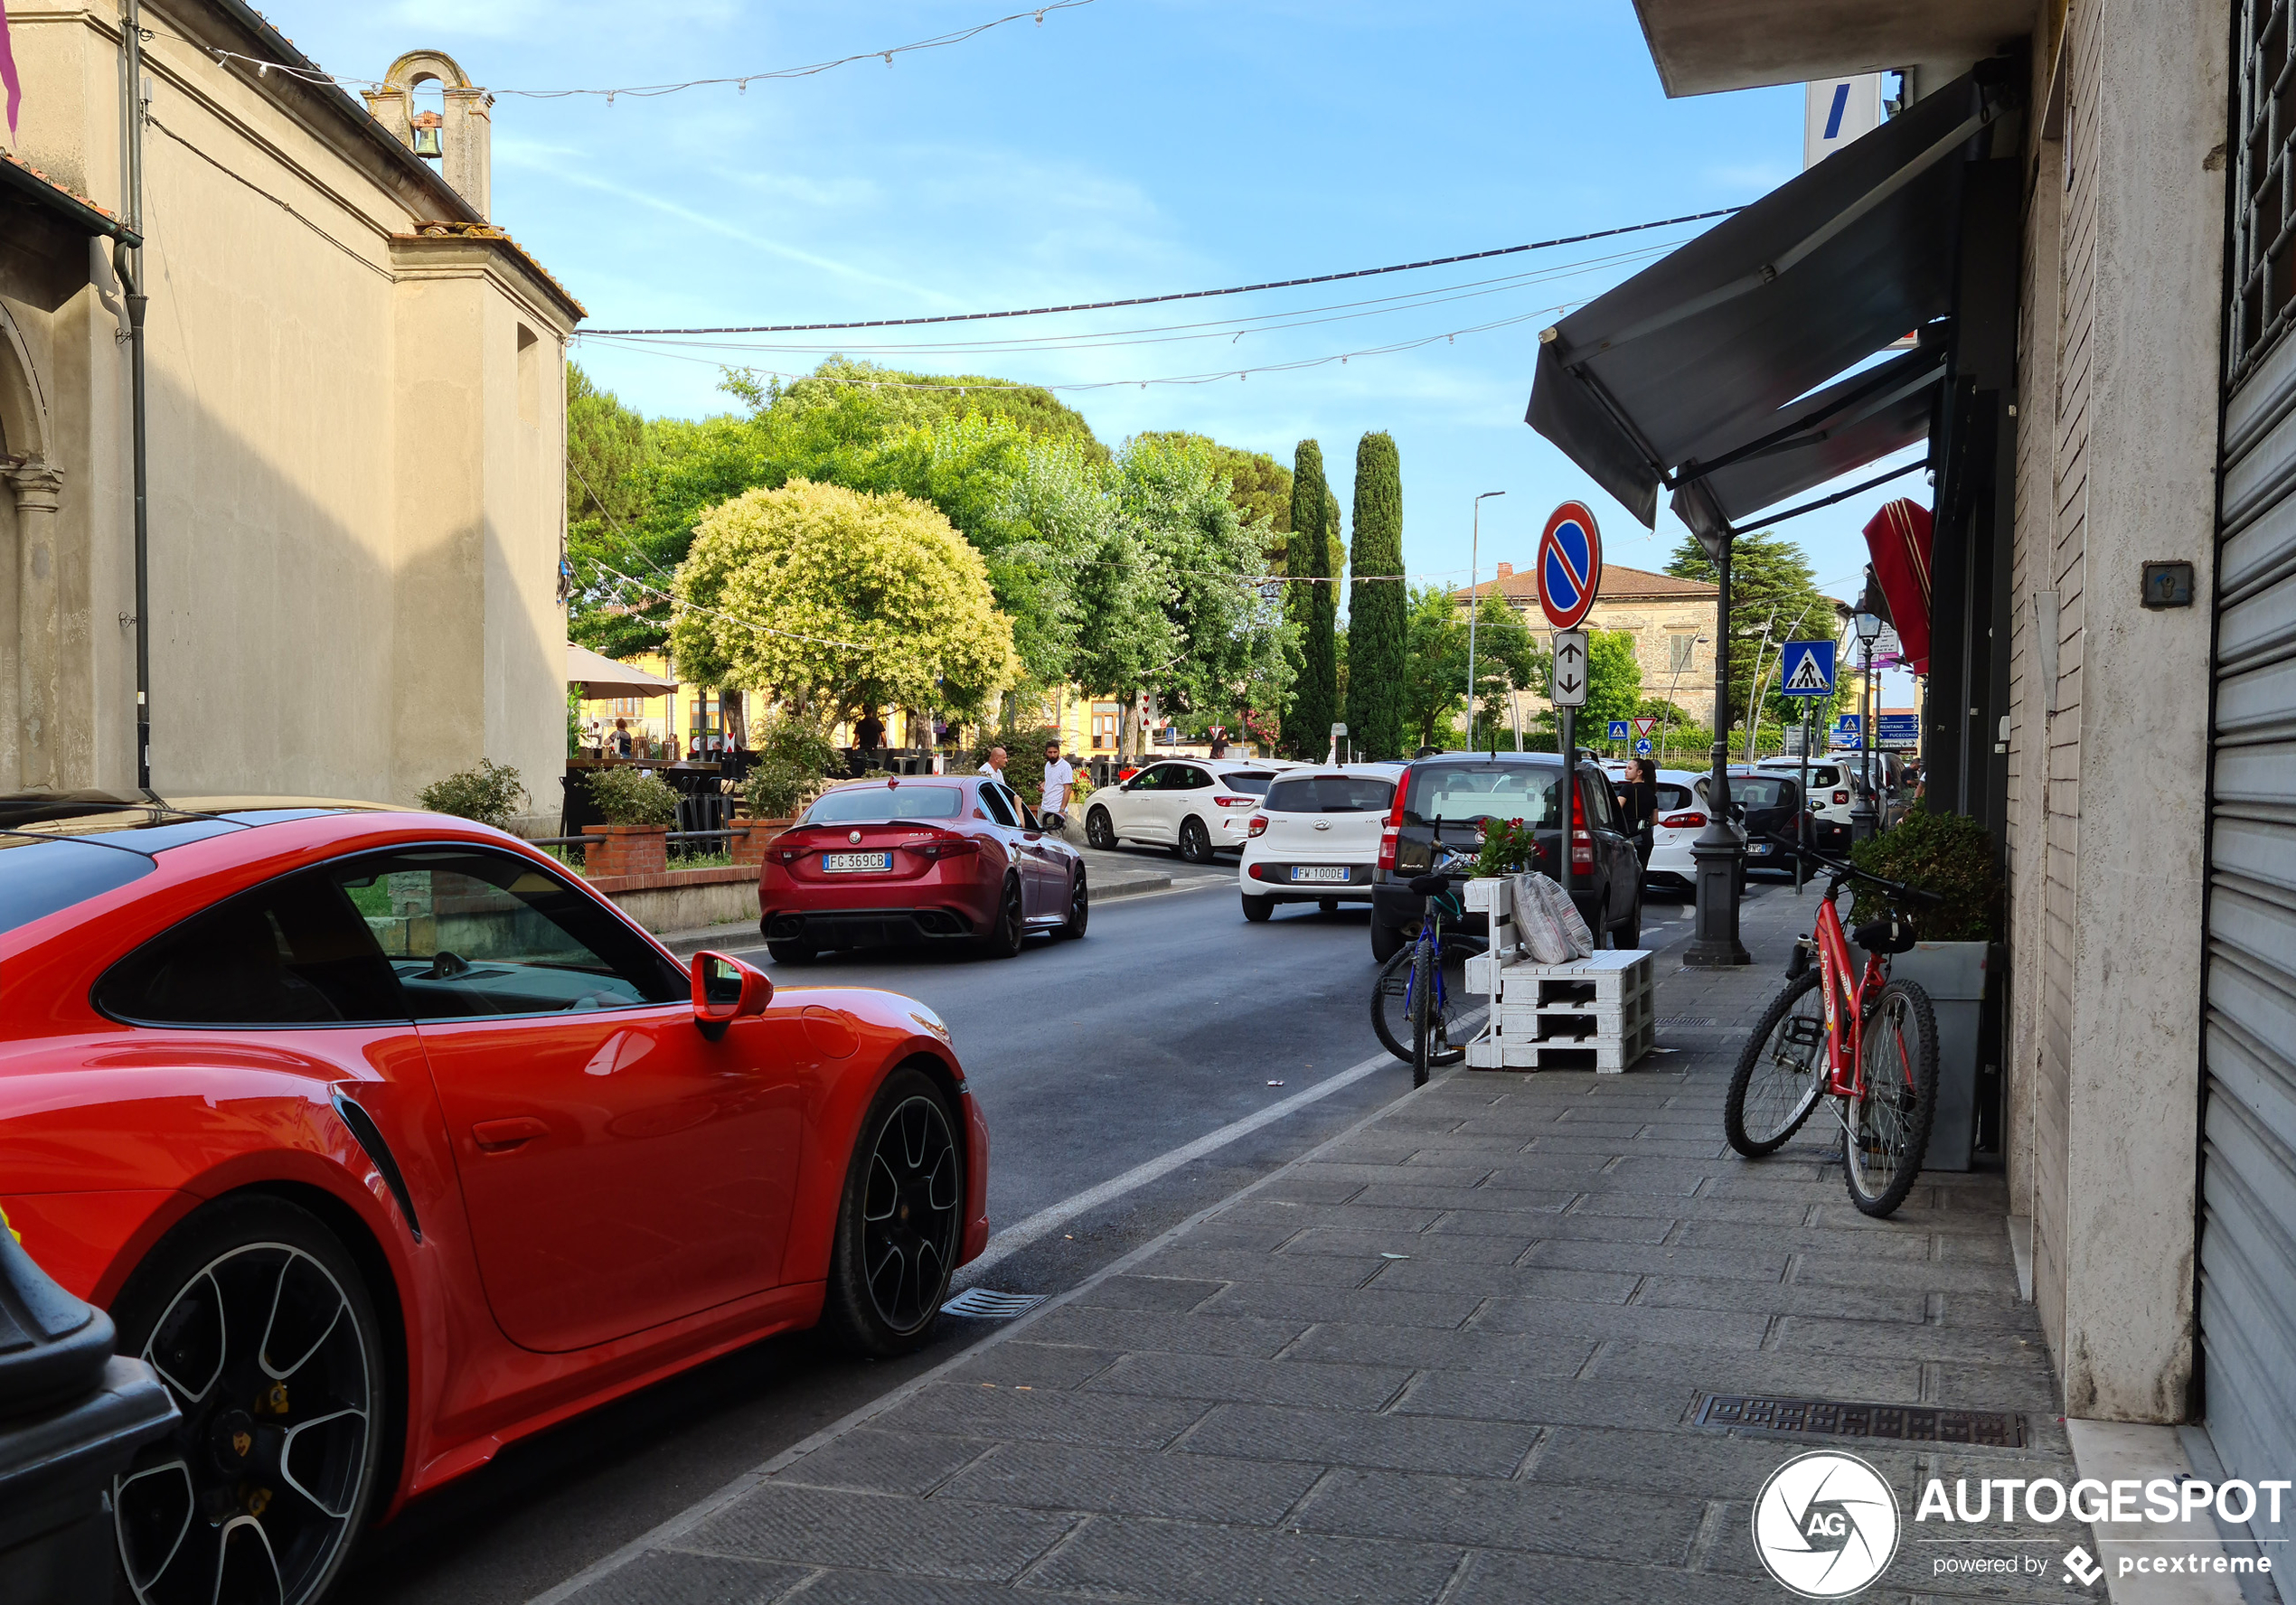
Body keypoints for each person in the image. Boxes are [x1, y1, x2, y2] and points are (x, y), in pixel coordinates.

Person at [1616, 756, 1657, 868]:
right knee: (1642, 871)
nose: (1625, 770)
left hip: (1629, 835)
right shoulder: (1652, 793)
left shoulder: (1628, 788)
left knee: (1627, 871)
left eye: (1629, 768)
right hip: (1646, 837)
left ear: (1639, 772)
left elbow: (1616, 809)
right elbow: (1654, 820)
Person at [1040, 740, 1076, 832]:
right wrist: (1042, 785)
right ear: (1046, 753)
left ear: (1059, 752)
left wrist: (1062, 810)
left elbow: (1067, 789)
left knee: (1056, 841)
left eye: (1055, 752)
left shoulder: (1065, 767)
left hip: (1056, 809)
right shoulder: (1047, 765)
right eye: (1050, 752)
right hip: (1045, 808)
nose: (1052, 755)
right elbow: (1049, 780)